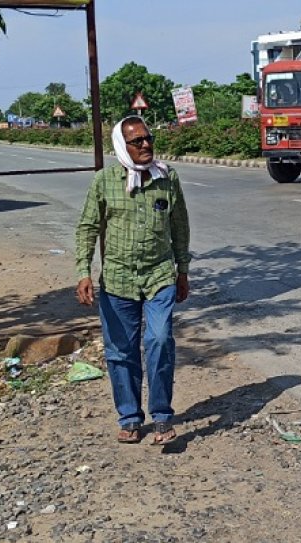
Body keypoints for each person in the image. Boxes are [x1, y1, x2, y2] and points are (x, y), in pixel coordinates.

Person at [75, 115, 191, 445]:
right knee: (120, 351)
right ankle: (129, 417)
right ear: (121, 147)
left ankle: (162, 417)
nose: (146, 145)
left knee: (159, 340)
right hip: (118, 280)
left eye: (148, 138)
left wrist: (182, 270)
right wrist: (83, 271)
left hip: (159, 276)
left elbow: (180, 227)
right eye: (137, 141)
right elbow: (87, 227)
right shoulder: (104, 181)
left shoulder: (168, 178)